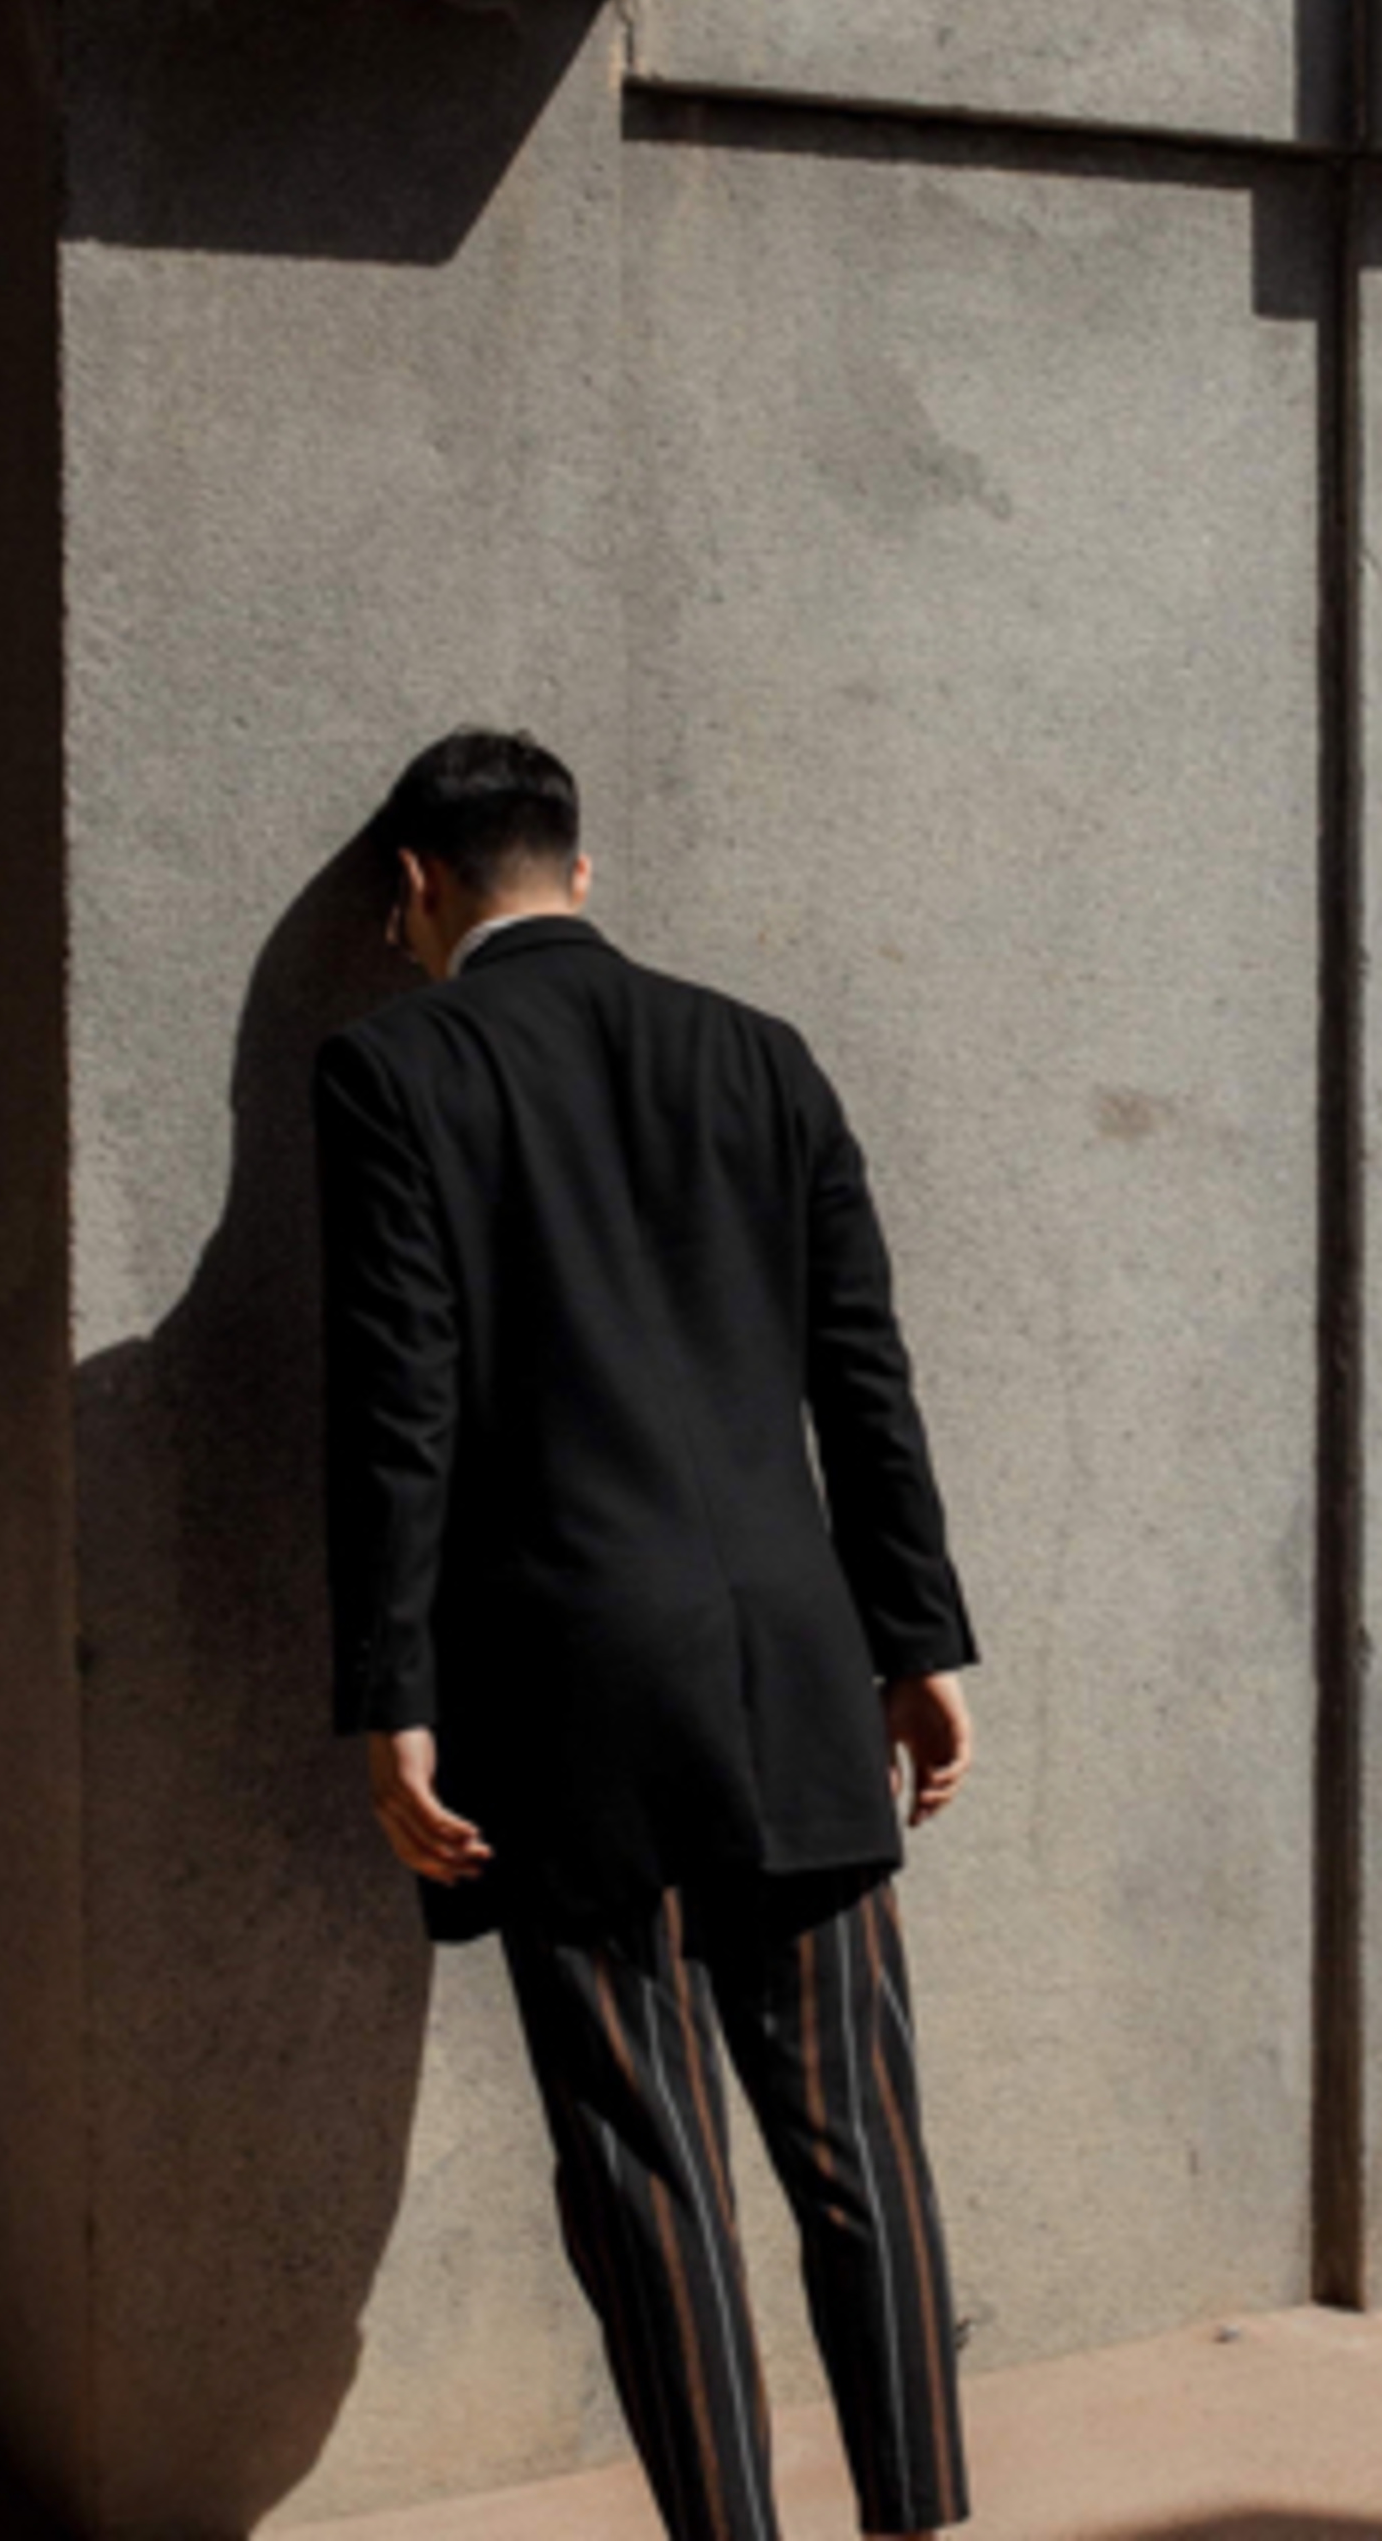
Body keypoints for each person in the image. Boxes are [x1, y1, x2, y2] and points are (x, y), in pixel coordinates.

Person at [312, 724, 983, 2541]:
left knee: (645, 2160)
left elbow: (400, 1409)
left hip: (567, 1687)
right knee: (861, 2141)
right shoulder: (760, 1055)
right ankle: (915, 2519)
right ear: (583, 870)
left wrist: (392, 1695)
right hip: (796, 1662)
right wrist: (915, 1640)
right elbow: (863, 1374)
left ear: (414, 890)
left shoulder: (393, 1071)